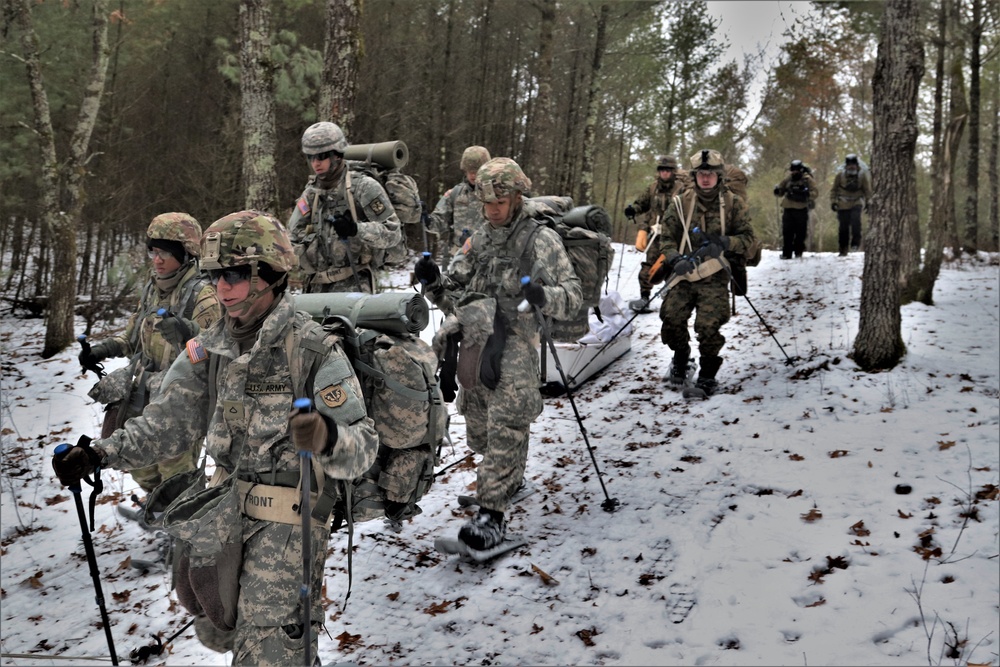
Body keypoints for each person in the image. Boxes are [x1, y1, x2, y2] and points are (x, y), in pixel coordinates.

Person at [55, 210, 379, 665]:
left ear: (271, 274)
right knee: (219, 629)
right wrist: (101, 454)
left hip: (289, 521)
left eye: (234, 275)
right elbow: (168, 423)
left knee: (269, 649)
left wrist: (327, 438)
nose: (222, 288)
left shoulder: (311, 350)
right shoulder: (211, 348)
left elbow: (362, 451)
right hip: (222, 510)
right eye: (214, 276)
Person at [413, 157, 582, 551]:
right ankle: (506, 478)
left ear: (517, 196)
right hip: (477, 339)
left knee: (508, 420)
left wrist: (544, 296)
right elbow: (454, 294)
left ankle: (492, 514)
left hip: (518, 342)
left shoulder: (540, 239)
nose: (492, 210)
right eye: (485, 202)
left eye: (500, 202)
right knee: (480, 426)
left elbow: (572, 297)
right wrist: (434, 281)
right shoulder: (479, 239)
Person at [79, 213, 220, 507]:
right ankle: (160, 508)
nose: (157, 260)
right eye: (153, 251)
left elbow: (216, 353)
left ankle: (185, 529)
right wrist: (101, 350)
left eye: (165, 253)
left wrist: (188, 334)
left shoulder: (203, 295)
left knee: (175, 472)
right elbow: (131, 341)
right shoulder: (152, 288)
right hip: (142, 392)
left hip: (180, 398)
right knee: (139, 463)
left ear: (185, 254)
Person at [648, 149, 756, 397]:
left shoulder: (733, 204)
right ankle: (681, 357)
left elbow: (748, 238)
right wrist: (674, 258)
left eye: (710, 174)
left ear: (719, 176)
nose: (705, 178)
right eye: (701, 174)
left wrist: (726, 243)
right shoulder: (680, 202)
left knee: (708, 326)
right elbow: (666, 237)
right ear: (695, 176)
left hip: (715, 275)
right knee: (672, 319)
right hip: (684, 275)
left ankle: (708, 374)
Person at [288, 121, 402, 293]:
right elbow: (292, 236)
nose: (315, 163)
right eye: (310, 157)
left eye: (321, 156)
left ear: (337, 155)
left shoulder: (363, 187)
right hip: (315, 285)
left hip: (354, 284)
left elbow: (393, 233)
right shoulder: (311, 193)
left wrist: (357, 229)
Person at [624, 155, 684, 314]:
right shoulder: (652, 188)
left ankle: (671, 297)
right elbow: (641, 204)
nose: (665, 173)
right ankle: (644, 298)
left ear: (673, 171)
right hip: (655, 236)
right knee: (649, 267)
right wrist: (632, 210)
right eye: (662, 170)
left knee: (672, 265)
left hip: (674, 237)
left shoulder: (681, 189)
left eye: (668, 170)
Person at [428, 145, 491, 259]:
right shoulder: (455, 194)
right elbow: (436, 224)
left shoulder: (497, 195)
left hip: (488, 258)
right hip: (459, 258)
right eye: (469, 170)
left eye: (476, 170)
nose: (473, 174)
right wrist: (425, 218)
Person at [829, 153, 873, 256]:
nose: (851, 166)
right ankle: (843, 249)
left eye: (853, 164)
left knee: (856, 223)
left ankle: (855, 244)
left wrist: (868, 203)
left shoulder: (862, 176)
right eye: (849, 164)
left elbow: (867, 191)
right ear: (846, 165)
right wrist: (833, 202)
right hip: (842, 203)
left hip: (856, 202)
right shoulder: (840, 176)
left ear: (857, 165)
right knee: (843, 228)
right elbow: (834, 190)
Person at [773, 160, 818, 259]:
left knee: (800, 232)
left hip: (801, 208)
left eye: (796, 170)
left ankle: (798, 251)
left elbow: (815, 193)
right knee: (787, 231)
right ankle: (786, 253)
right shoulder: (788, 179)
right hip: (788, 208)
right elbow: (781, 190)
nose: (794, 173)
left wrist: (804, 194)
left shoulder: (807, 180)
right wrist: (777, 190)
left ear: (801, 170)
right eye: (792, 170)